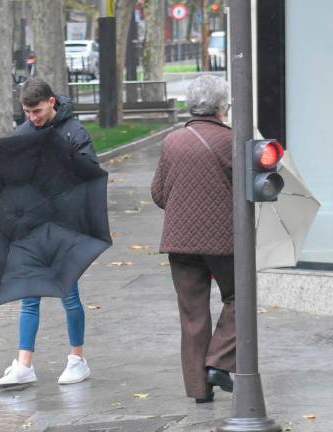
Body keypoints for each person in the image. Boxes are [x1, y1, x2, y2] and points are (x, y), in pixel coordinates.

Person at [0, 77, 99, 389]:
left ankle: (77, 359)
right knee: (29, 296)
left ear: (52, 102)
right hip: (31, 228)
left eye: (37, 111)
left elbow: (90, 176)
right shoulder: (23, 133)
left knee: (69, 295)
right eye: (27, 112)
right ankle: (24, 364)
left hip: (66, 228)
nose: (32, 118)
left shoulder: (74, 133)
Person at [151, 75, 235, 403]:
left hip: (180, 242)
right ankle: (219, 361)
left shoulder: (172, 141)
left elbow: (158, 194)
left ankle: (199, 390)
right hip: (222, 241)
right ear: (220, 106)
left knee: (192, 313)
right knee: (239, 297)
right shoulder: (231, 141)